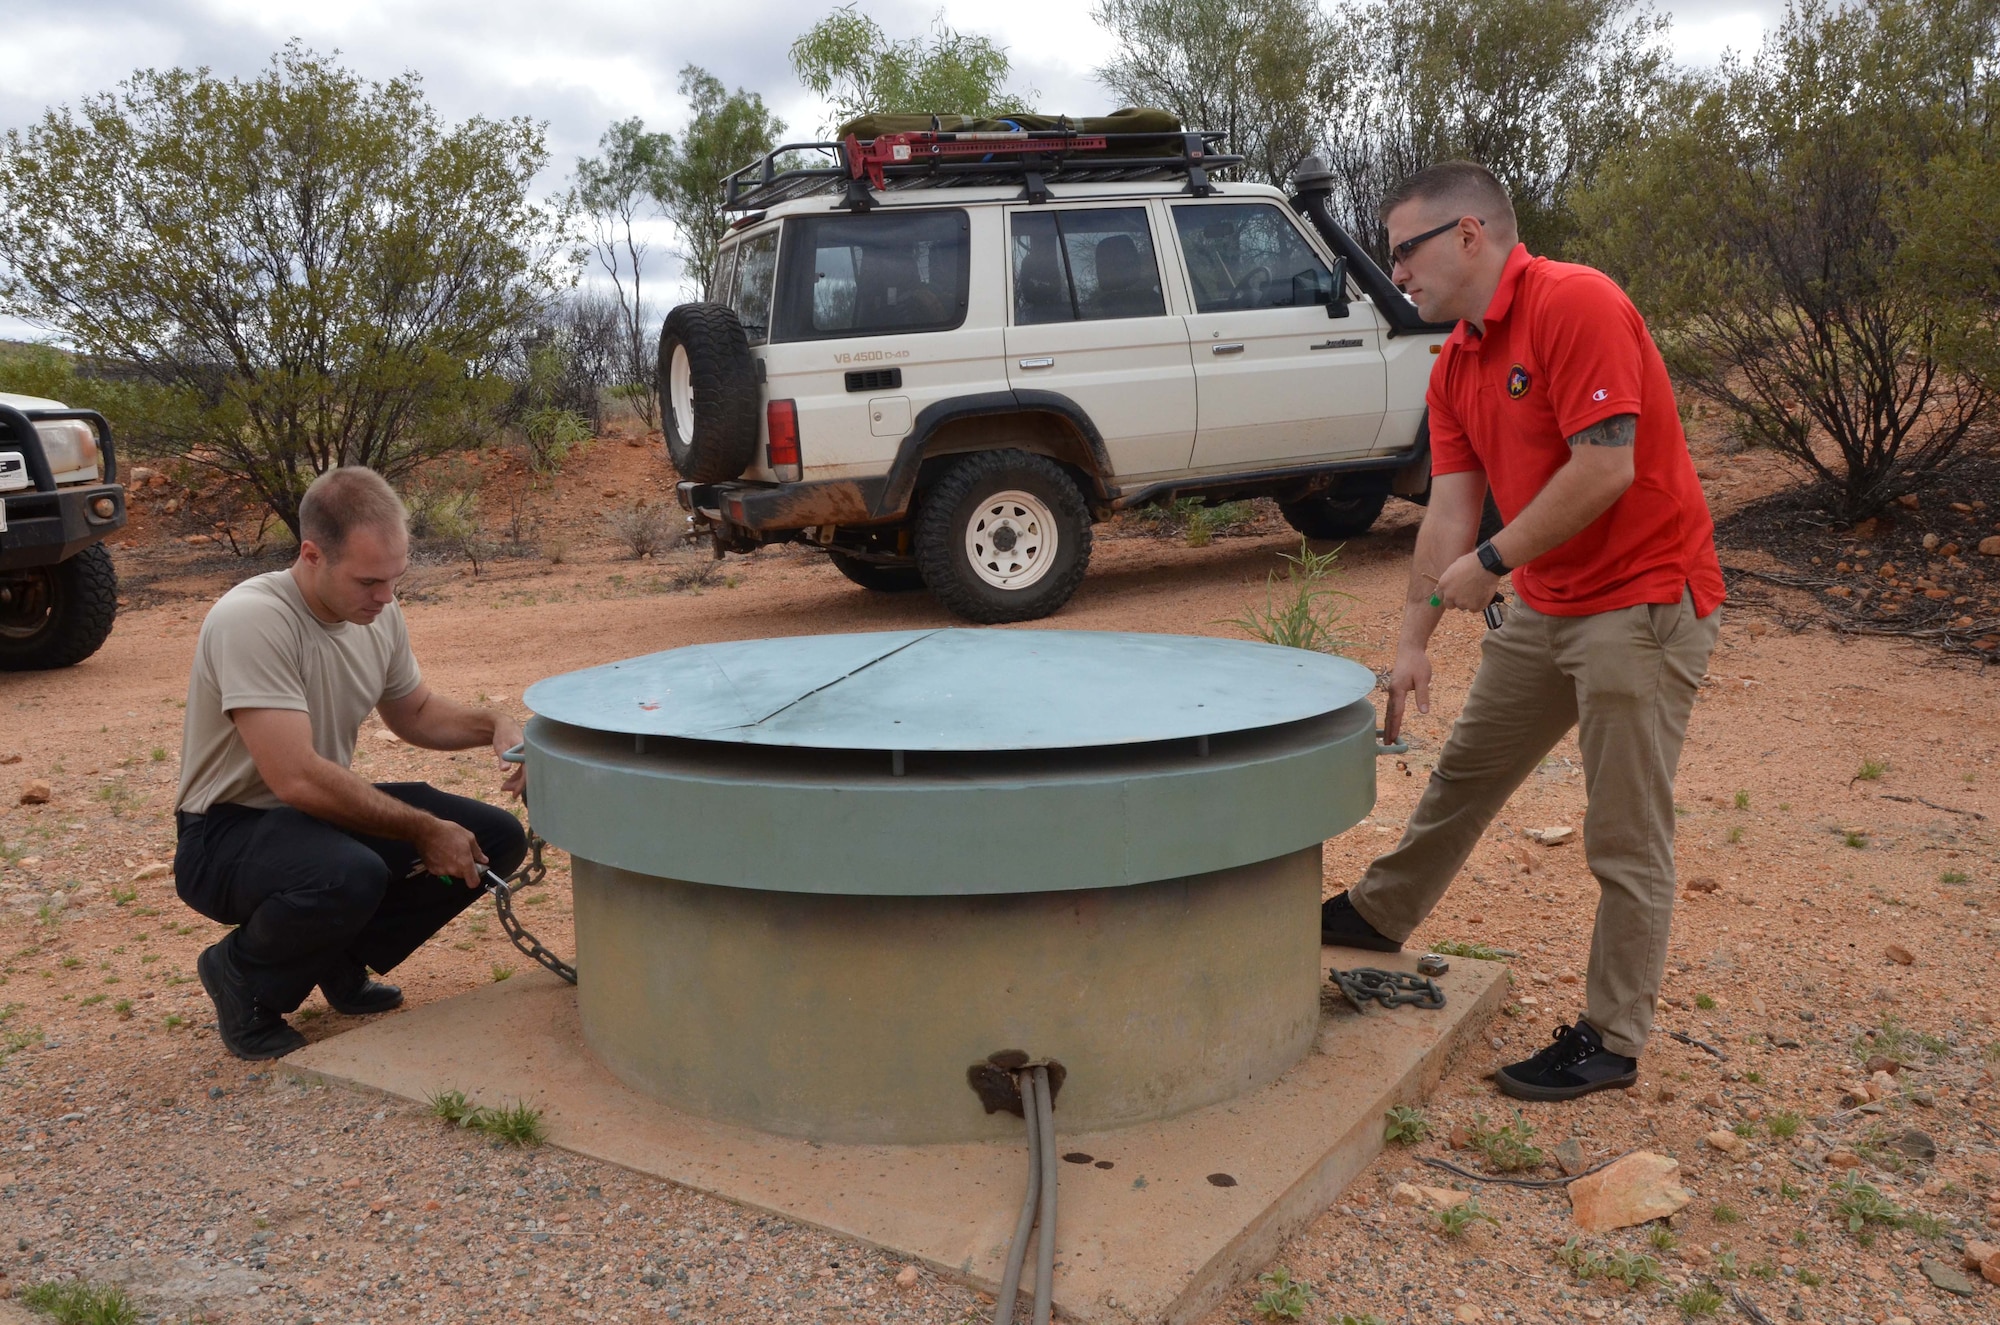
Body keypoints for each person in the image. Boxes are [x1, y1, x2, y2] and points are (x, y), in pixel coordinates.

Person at [1320, 162, 1726, 1102]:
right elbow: (1447, 516)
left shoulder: (1575, 304)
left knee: (1624, 834)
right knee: (1467, 770)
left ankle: (1612, 1038)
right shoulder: (1458, 359)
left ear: (1470, 235)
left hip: (1643, 601)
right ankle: (1381, 915)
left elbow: (1605, 469)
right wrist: (1414, 640)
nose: (1397, 273)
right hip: (1550, 600)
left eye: (1405, 251)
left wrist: (1495, 564)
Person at [173, 466, 528, 1060]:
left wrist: (494, 725)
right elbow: (296, 779)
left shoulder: (376, 612)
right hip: (226, 835)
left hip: (310, 821)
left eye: (395, 578)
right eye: (369, 581)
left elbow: (413, 712)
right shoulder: (253, 619)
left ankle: (338, 955)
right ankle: (243, 976)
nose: (386, 597)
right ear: (312, 555)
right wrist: (421, 827)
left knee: (494, 838)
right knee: (349, 871)